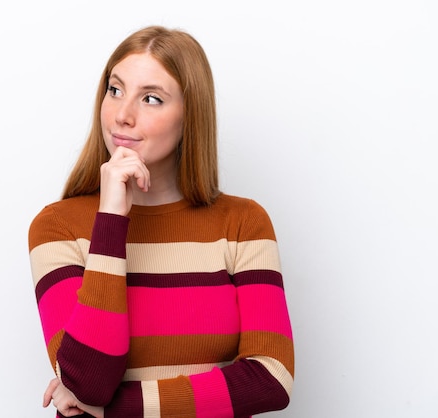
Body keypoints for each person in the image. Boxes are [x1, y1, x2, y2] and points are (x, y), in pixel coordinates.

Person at [28, 25, 294, 418]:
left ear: (191, 114)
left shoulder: (243, 223)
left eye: (151, 99)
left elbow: (271, 380)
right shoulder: (57, 227)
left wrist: (112, 410)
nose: (122, 115)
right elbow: (90, 382)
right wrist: (111, 219)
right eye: (115, 90)